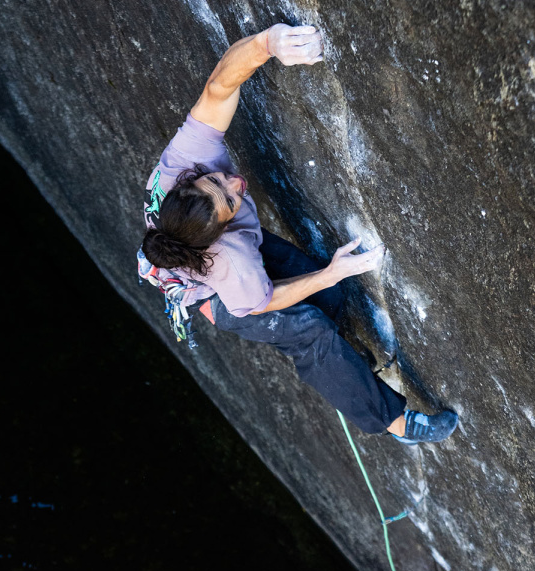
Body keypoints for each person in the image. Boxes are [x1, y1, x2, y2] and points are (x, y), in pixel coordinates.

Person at [139, 24, 458, 444]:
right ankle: (394, 422)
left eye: (216, 180)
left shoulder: (184, 164)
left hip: (225, 255)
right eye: (230, 202)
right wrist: (332, 271)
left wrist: (267, 44)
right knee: (309, 330)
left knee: (329, 300)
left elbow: (219, 87)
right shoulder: (227, 261)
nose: (236, 184)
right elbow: (261, 302)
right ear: (219, 233)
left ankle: (346, 366)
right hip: (226, 299)